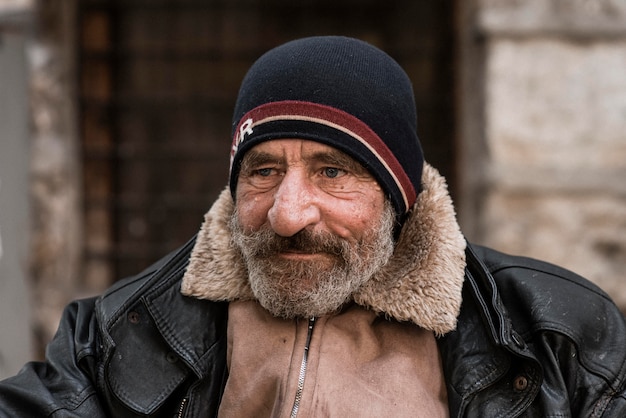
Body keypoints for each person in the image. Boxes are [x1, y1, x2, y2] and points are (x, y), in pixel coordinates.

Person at [1, 36, 625, 418]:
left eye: (332, 172)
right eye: (264, 171)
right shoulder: (122, 331)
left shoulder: (554, 333)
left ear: (398, 194)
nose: (288, 214)